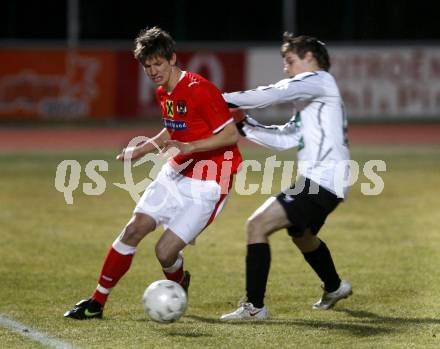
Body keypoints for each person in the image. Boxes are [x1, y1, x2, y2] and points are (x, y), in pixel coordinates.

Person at [64, 26, 242, 319]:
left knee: (164, 253)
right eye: (147, 66)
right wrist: (142, 150)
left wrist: (191, 147)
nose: (153, 71)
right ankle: (96, 302)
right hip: (177, 172)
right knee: (134, 228)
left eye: (158, 63)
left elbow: (231, 135)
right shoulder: (164, 91)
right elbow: (172, 128)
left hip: (212, 181)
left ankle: (178, 284)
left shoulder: (201, 90)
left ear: (173, 59)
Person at [220, 33, 352, 321]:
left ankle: (254, 307)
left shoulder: (318, 80)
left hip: (323, 179)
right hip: (327, 180)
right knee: (302, 234)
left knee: (256, 225)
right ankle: (335, 286)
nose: (286, 68)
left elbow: (273, 93)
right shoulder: (312, 99)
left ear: (310, 59)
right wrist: (245, 126)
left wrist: (219, 100)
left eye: (290, 61)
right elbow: (284, 139)